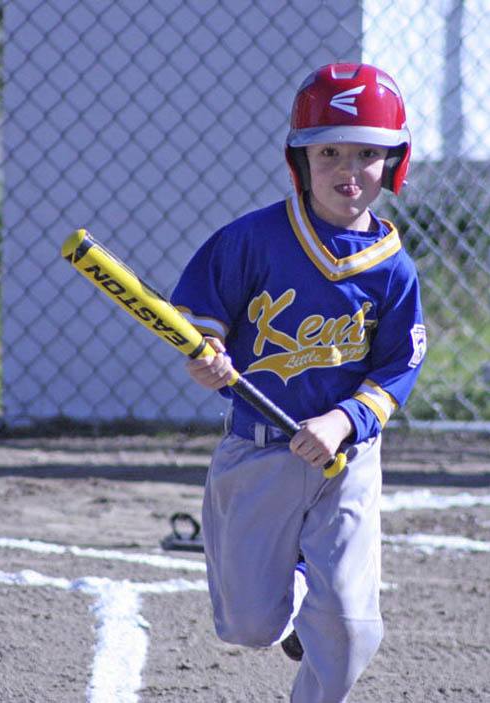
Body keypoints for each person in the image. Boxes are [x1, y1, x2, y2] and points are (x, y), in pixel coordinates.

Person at [170, 63, 426, 702]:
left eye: (367, 153)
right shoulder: (253, 239)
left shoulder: (392, 269)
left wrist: (343, 421)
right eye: (329, 151)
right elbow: (204, 328)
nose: (348, 169)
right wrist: (207, 356)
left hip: (345, 460)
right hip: (258, 455)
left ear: (393, 161)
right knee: (249, 625)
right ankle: (297, 601)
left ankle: (321, 621)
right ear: (299, 158)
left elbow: (398, 367)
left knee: (349, 630)